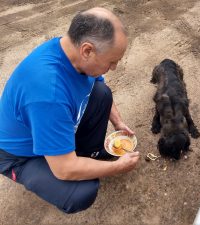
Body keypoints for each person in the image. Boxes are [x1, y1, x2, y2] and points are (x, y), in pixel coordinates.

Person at [0, 7, 140, 213]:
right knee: (82, 191)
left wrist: (118, 122)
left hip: (45, 124)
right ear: (87, 50)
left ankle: (85, 154)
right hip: (19, 156)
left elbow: (96, 85)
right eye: (112, 61)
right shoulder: (49, 94)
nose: (114, 68)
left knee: (102, 93)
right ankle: (37, 166)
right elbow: (64, 169)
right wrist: (117, 167)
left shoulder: (68, 50)